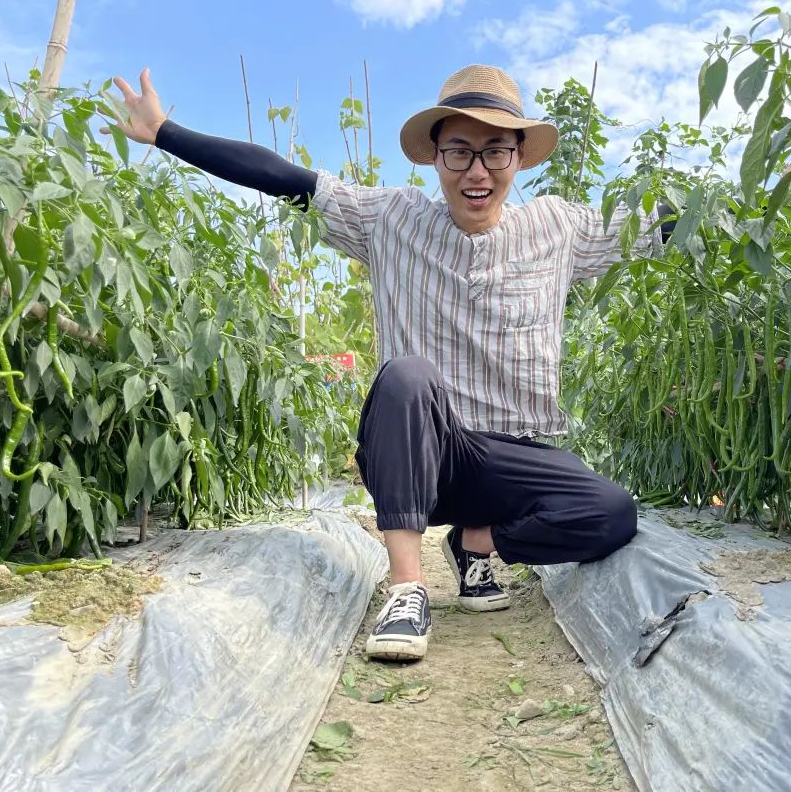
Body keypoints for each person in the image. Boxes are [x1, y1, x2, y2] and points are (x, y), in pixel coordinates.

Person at [107, 64, 672, 662]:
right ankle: (407, 588)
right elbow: (282, 177)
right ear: (434, 156)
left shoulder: (559, 227)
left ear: (519, 157)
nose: (477, 171)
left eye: (495, 152)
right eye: (459, 152)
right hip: (418, 450)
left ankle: (476, 544)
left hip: (511, 457)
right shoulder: (390, 221)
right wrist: (167, 132)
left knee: (612, 514)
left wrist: (767, 187)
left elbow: (664, 225)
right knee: (407, 373)